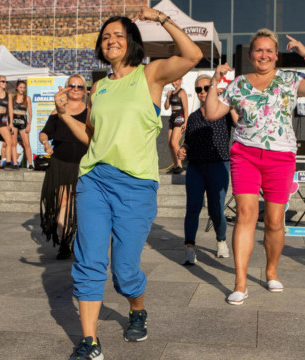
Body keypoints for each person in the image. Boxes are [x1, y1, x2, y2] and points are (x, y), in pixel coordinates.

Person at [53, 9, 202, 359]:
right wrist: (63, 114)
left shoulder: (150, 75)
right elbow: (91, 138)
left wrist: (160, 18)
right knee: (88, 259)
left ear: (132, 41)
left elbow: (193, 55)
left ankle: (137, 308)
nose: (111, 40)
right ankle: (89, 342)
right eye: (106, 37)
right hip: (95, 180)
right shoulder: (99, 87)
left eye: (118, 35)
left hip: (136, 185)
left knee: (124, 271)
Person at [205, 29, 305, 305]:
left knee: (275, 220)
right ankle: (240, 282)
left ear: (276, 55)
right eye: (258, 50)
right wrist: (215, 82)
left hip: (280, 156)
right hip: (245, 154)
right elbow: (212, 113)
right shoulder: (238, 84)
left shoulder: (289, 80)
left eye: (269, 50)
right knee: (245, 215)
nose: (263, 55)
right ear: (251, 55)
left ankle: (271, 271)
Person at [177, 75, 236, 265]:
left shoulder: (224, 111)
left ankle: (221, 240)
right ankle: (189, 248)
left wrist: (226, 98)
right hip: (195, 166)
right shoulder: (193, 117)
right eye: (198, 89)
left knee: (216, 208)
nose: (202, 92)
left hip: (218, 165)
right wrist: (184, 148)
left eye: (205, 88)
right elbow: (189, 140)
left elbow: (238, 121)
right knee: (192, 207)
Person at [39, 74, 88, 260]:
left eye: (80, 86)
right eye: (72, 86)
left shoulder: (90, 110)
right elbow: (44, 133)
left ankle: (78, 238)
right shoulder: (58, 110)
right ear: (66, 88)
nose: (76, 89)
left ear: (85, 90)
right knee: (63, 202)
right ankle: (64, 241)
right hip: (60, 162)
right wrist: (45, 143)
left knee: (82, 204)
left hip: (84, 164)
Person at [164, 78, 187, 174]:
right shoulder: (171, 93)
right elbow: (166, 107)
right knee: (170, 143)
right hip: (172, 118)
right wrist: (168, 97)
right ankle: (175, 166)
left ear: (181, 80)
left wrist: (186, 122)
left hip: (180, 118)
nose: (174, 83)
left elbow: (186, 109)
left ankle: (180, 165)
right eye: (173, 81)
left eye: (176, 81)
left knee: (174, 142)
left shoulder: (182, 92)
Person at [9, 80, 33, 169]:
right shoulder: (13, 98)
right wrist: (10, 124)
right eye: (20, 87)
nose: (22, 89)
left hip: (23, 121)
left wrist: (29, 124)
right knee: (13, 143)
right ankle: (15, 163)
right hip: (14, 120)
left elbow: (30, 113)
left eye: (23, 88)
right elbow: (10, 112)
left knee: (27, 143)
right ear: (17, 88)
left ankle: (30, 163)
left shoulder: (27, 98)